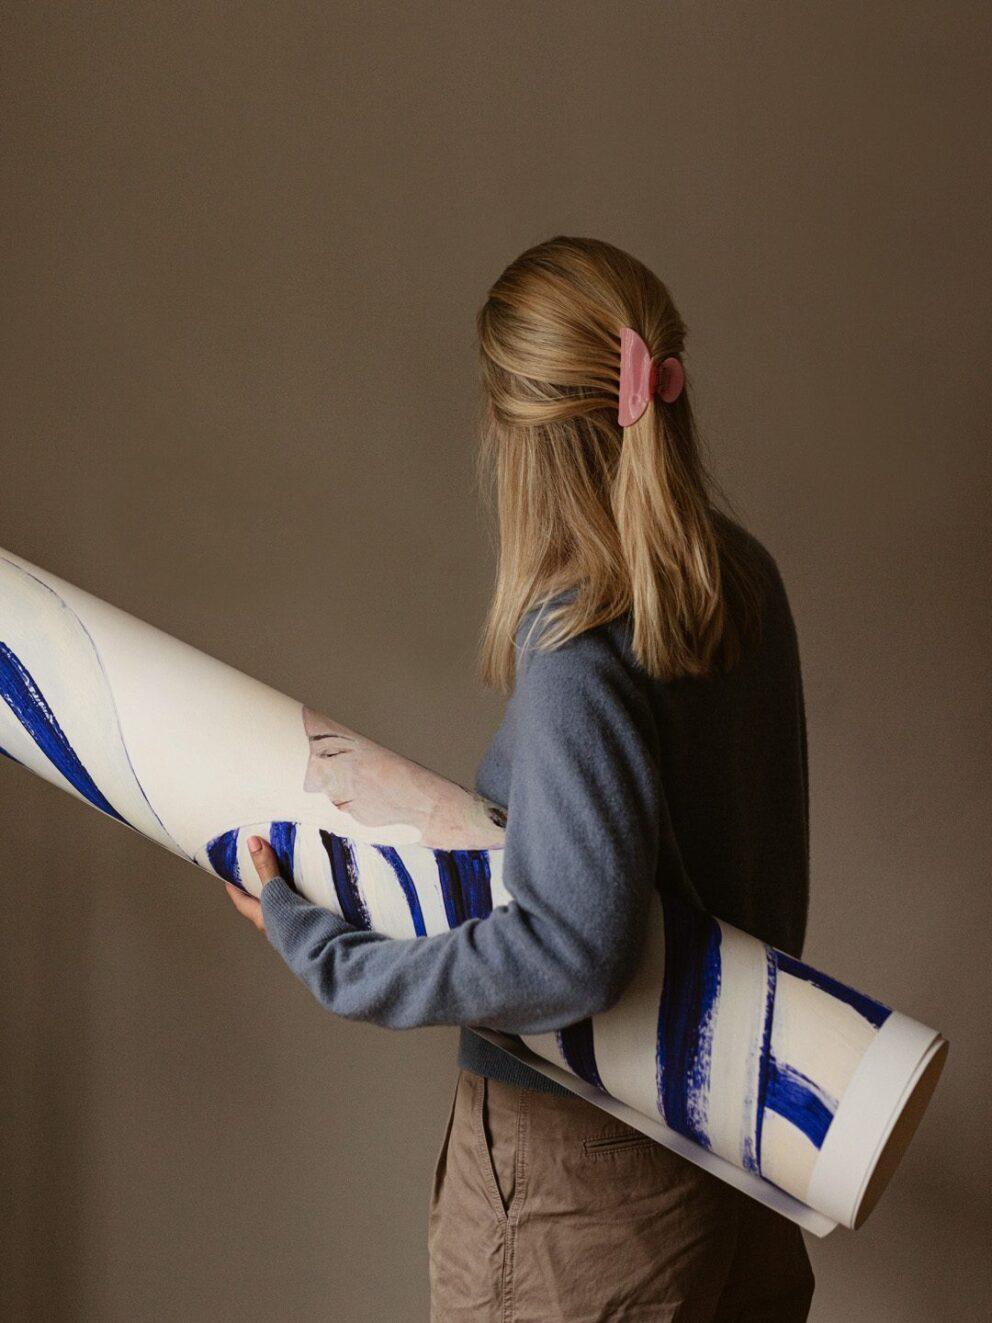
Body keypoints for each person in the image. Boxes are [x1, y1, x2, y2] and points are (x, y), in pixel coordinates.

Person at [225, 235, 816, 1321]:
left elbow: (573, 949)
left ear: (509, 432)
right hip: (739, 1142)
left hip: (583, 1190)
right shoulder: (743, 576)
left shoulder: (577, 637)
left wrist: (332, 957)